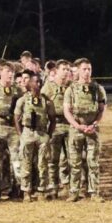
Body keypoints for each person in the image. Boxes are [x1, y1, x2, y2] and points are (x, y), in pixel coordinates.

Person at [64, 58, 107, 202]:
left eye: (89, 69)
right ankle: (74, 192)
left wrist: (94, 124)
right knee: (75, 163)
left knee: (92, 162)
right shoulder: (71, 89)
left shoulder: (98, 89)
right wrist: (77, 126)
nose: (87, 72)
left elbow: (102, 110)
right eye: (84, 69)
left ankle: (94, 192)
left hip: (92, 130)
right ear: (78, 70)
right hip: (76, 130)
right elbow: (67, 111)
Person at [14, 70, 56, 201]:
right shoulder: (22, 100)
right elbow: (16, 118)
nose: (37, 84)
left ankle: (42, 190)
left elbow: (53, 119)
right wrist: (21, 134)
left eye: (39, 82)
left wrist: (48, 135)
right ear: (30, 83)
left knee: (42, 164)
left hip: (42, 133)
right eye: (35, 81)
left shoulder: (46, 101)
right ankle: (26, 190)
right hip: (28, 133)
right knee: (26, 163)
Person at [0, 62, 23, 199]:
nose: (11, 74)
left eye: (12, 72)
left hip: (13, 127)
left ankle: (18, 188)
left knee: (16, 161)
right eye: (7, 71)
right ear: (0, 73)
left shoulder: (18, 90)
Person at [41, 59, 72, 198]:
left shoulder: (72, 87)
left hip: (70, 124)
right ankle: (53, 186)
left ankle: (67, 185)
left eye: (68, 69)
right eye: (63, 69)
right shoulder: (48, 87)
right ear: (56, 71)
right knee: (53, 158)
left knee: (69, 158)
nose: (66, 72)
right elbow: (41, 106)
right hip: (54, 125)